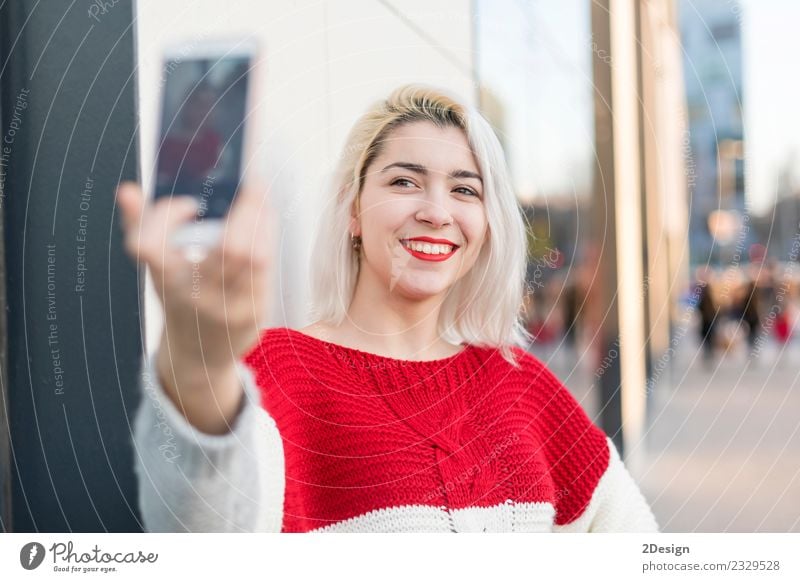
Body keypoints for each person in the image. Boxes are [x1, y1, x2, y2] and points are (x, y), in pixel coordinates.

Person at [118, 85, 658, 533]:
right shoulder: (278, 374)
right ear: (354, 210)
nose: (436, 211)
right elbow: (207, 536)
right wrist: (196, 362)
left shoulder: (524, 385)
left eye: (465, 191)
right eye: (405, 181)